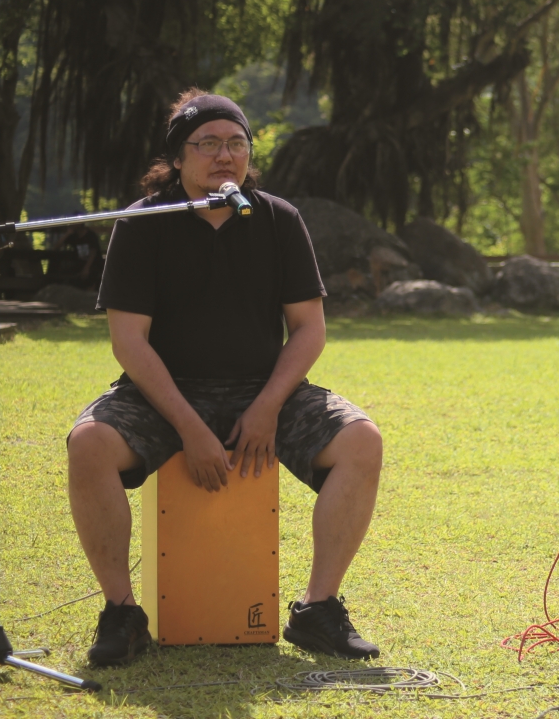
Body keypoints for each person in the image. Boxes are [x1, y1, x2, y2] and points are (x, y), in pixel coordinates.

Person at [66, 90, 385, 666]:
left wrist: (267, 407)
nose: (224, 155)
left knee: (362, 441)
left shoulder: (278, 219)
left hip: (263, 390)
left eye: (236, 143)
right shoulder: (142, 222)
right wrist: (189, 427)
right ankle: (121, 613)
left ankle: (318, 609)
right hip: (163, 395)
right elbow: (129, 341)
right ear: (177, 158)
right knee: (88, 444)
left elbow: (309, 330)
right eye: (207, 144)